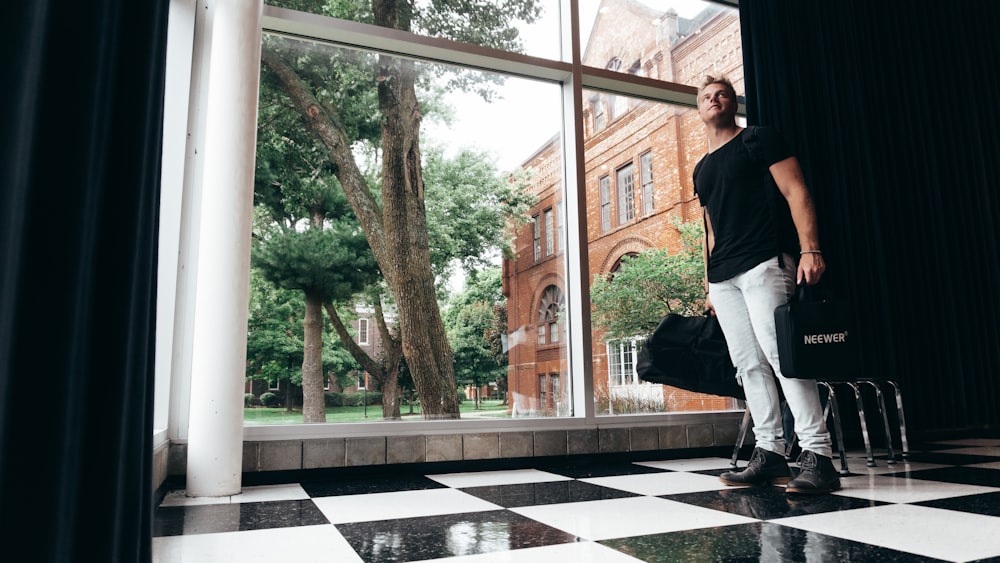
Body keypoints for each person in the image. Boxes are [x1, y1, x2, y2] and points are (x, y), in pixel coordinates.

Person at [693, 75, 840, 494]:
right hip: (724, 278)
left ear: (732, 101)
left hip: (765, 261)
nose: (713, 99)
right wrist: (709, 283)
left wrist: (811, 249)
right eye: (705, 96)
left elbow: (796, 191)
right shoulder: (701, 168)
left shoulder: (759, 139)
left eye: (720, 93)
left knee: (783, 357)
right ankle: (771, 453)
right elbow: (709, 230)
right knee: (748, 367)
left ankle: (818, 456)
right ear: (699, 109)